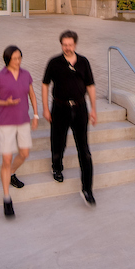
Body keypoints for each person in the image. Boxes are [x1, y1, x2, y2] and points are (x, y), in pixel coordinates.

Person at [41, 29, 98, 207]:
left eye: (70, 45)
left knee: (84, 150)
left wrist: (94, 109)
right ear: (61, 45)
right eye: (64, 45)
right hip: (59, 108)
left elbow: (90, 85)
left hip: (80, 108)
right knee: (58, 143)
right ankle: (57, 167)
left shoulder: (83, 62)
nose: (67, 48)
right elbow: (45, 84)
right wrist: (45, 108)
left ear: (75, 45)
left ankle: (87, 189)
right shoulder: (55, 63)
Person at [0, 44, 38, 218]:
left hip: (23, 120)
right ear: (8, 59)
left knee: (24, 154)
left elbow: (32, 94)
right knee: (7, 158)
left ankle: (11, 174)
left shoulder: (26, 74)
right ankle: (7, 198)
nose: (18, 61)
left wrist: (36, 115)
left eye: (20, 58)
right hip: (6, 122)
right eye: (15, 58)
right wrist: (5, 103)